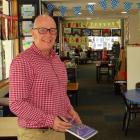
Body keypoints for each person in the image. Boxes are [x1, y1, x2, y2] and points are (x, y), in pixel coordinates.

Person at [9, 14, 81, 140]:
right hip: (35, 134)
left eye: (52, 31)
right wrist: (50, 120)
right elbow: (17, 104)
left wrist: (70, 111)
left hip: (59, 130)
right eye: (42, 30)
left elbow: (60, 93)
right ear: (33, 33)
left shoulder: (57, 60)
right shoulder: (22, 61)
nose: (48, 35)